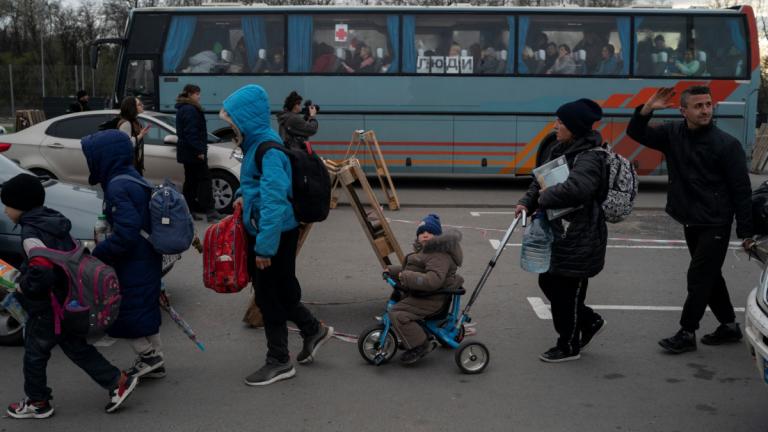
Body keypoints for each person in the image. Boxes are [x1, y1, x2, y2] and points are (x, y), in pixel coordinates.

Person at [219, 84, 334, 386]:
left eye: (233, 124)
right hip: (274, 232)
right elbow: (258, 185)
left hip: (274, 236)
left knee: (269, 298)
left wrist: (264, 249)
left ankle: (279, 361)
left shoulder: (267, 150)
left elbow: (274, 201)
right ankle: (312, 330)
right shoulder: (258, 145)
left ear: (246, 120)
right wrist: (243, 194)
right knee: (282, 291)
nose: (231, 129)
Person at [626, 86, 754, 354]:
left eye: (708, 104)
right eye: (698, 106)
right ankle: (729, 326)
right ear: (683, 111)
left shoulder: (727, 145)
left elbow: (741, 190)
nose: (706, 110)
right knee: (709, 275)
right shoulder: (672, 134)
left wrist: (746, 232)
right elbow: (635, 132)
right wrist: (647, 108)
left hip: (715, 222)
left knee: (698, 276)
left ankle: (687, 331)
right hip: (690, 218)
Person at [2, 173, 138, 418]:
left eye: (7, 205)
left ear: (20, 206)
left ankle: (37, 402)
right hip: (68, 300)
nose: (4, 210)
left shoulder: (30, 233)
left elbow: (42, 272)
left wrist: (24, 286)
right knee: (76, 347)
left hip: (47, 307)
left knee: (35, 353)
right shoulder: (52, 220)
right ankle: (117, 380)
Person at [515, 98, 608, 363]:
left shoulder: (590, 157)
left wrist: (543, 198)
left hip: (580, 237)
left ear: (575, 127)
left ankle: (568, 345)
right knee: (549, 282)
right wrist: (526, 202)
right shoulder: (560, 149)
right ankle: (589, 321)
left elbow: (576, 189)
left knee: (568, 292)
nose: (556, 126)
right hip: (559, 234)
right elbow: (540, 180)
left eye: (561, 122)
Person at [81, 130, 166, 379]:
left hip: (131, 259)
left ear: (104, 157)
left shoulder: (117, 185)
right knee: (144, 306)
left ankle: (149, 356)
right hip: (146, 255)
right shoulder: (131, 177)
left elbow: (127, 231)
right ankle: (155, 359)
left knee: (126, 309)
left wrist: (101, 252)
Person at [387, 214, 464, 365]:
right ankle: (414, 336)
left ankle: (421, 344)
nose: (425, 235)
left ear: (438, 237)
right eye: (422, 232)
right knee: (399, 304)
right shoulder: (425, 251)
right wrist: (393, 271)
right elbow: (412, 268)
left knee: (398, 313)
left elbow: (433, 280)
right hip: (424, 294)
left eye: (430, 232)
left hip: (433, 298)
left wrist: (407, 277)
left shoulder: (438, 254)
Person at [175, 84, 221, 222]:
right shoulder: (190, 110)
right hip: (194, 153)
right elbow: (191, 133)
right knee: (204, 180)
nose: (199, 96)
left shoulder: (183, 108)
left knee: (191, 182)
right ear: (189, 94)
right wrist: (199, 151)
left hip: (187, 153)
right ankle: (210, 212)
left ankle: (189, 210)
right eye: (196, 93)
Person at [117, 96, 150, 175]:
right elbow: (127, 144)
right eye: (139, 104)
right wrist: (141, 135)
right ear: (132, 107)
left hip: (135, 164)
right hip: (129, 165)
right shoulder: (126, 123)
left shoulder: (134, 121)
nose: (142, 105)